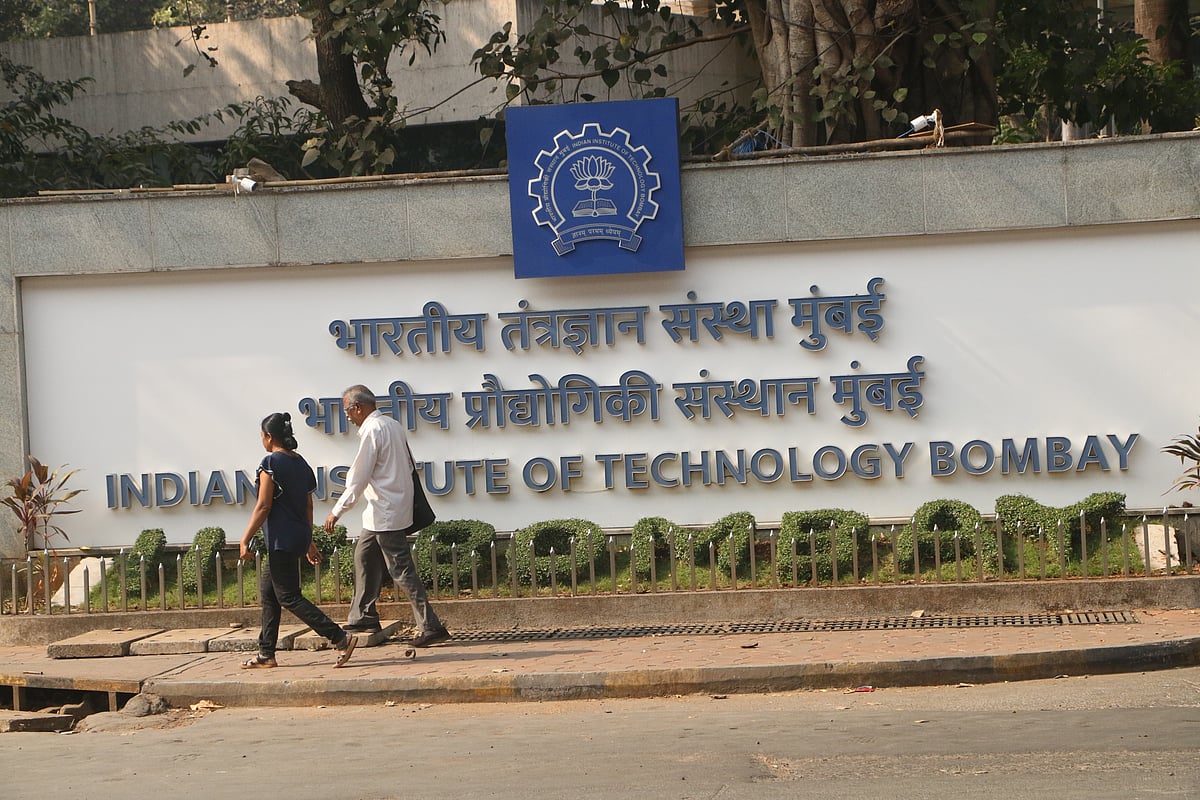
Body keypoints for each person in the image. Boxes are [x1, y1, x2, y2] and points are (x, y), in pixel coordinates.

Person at [324, 384, 450, 647]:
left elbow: (358, 479)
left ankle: (430, 626)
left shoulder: (372, 430)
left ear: (358, 407)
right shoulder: (392, 425)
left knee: (402, 570)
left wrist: (337, 511)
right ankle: (363, 615)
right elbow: (407, 465)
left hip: (385, 511)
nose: (347, 416)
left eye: (348, 410)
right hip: (385, 510)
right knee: (364, 555)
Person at [239, 412, 358, 669]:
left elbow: (263, 506)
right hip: (296, 536)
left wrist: (245, 538)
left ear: (269, 437)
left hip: (280, 540)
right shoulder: (300, 462)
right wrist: (308, 540)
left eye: (262, 436)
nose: (262, 440)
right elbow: (308, 507)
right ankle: (266, 653)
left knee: (289, 596)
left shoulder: (271, 462)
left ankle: (340, 638)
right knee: (269, 593)